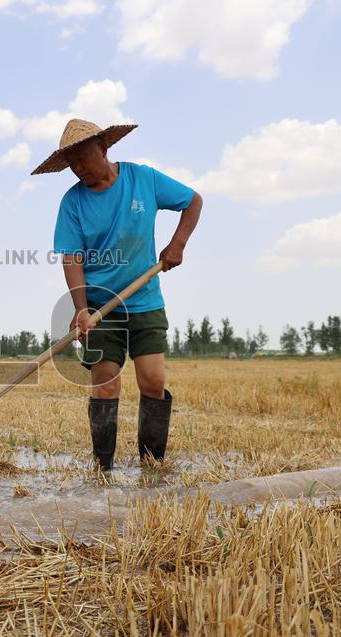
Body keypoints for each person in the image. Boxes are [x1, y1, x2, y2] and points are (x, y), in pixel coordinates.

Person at [32, 118, 203, 469]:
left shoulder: (144, 180)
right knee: (106, 385)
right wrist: (81, 309)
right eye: (72, 164)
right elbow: (72, 258)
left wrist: (177, 245)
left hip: (145, 301)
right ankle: (103, 468)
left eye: (83, 158)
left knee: (153, 381)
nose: (78, 168)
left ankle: (151, 465)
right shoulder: (73, 203)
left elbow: (193, 201)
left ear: (104, 148)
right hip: (99, 307)